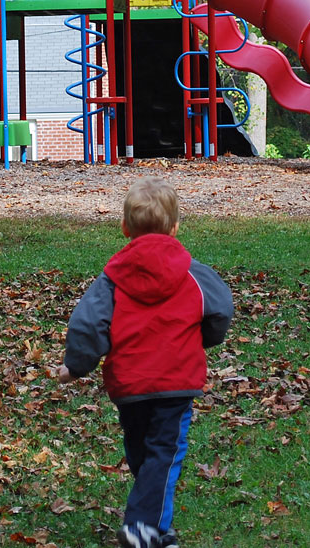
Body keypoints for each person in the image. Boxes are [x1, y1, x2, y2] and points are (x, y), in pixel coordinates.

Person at [56, 178, 234, 548]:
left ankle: (157, 528)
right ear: (175, 228)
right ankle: (143, 526)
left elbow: (89, 324)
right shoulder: (193, 274)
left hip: (130, 384)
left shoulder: (113, 279)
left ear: (125, 229)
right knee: (161, 454)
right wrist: (206, 338)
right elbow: (220, 310)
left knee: (143, 450)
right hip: (175, 381)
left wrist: (76, 366)